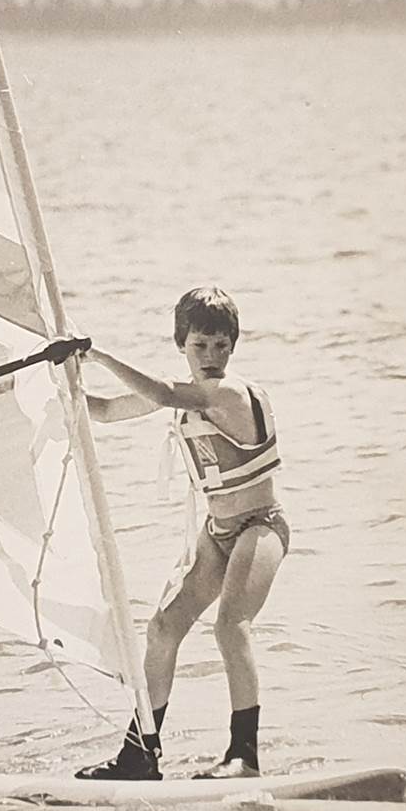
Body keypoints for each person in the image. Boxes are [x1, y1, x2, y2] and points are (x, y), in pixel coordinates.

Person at [72, 287, 289, 781]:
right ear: (181, 345)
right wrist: (60, 383)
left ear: (233, 346)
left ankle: (244, 757)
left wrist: (97, 354)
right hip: (217, 533)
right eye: (199, 346)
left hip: (261, 526)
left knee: (230, 627)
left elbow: (163, 393)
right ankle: (139, 754)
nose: (211, 357)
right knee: (163, 629)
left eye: (221, 345)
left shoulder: (226, 393)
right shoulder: (186, 396)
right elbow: (105, 411)